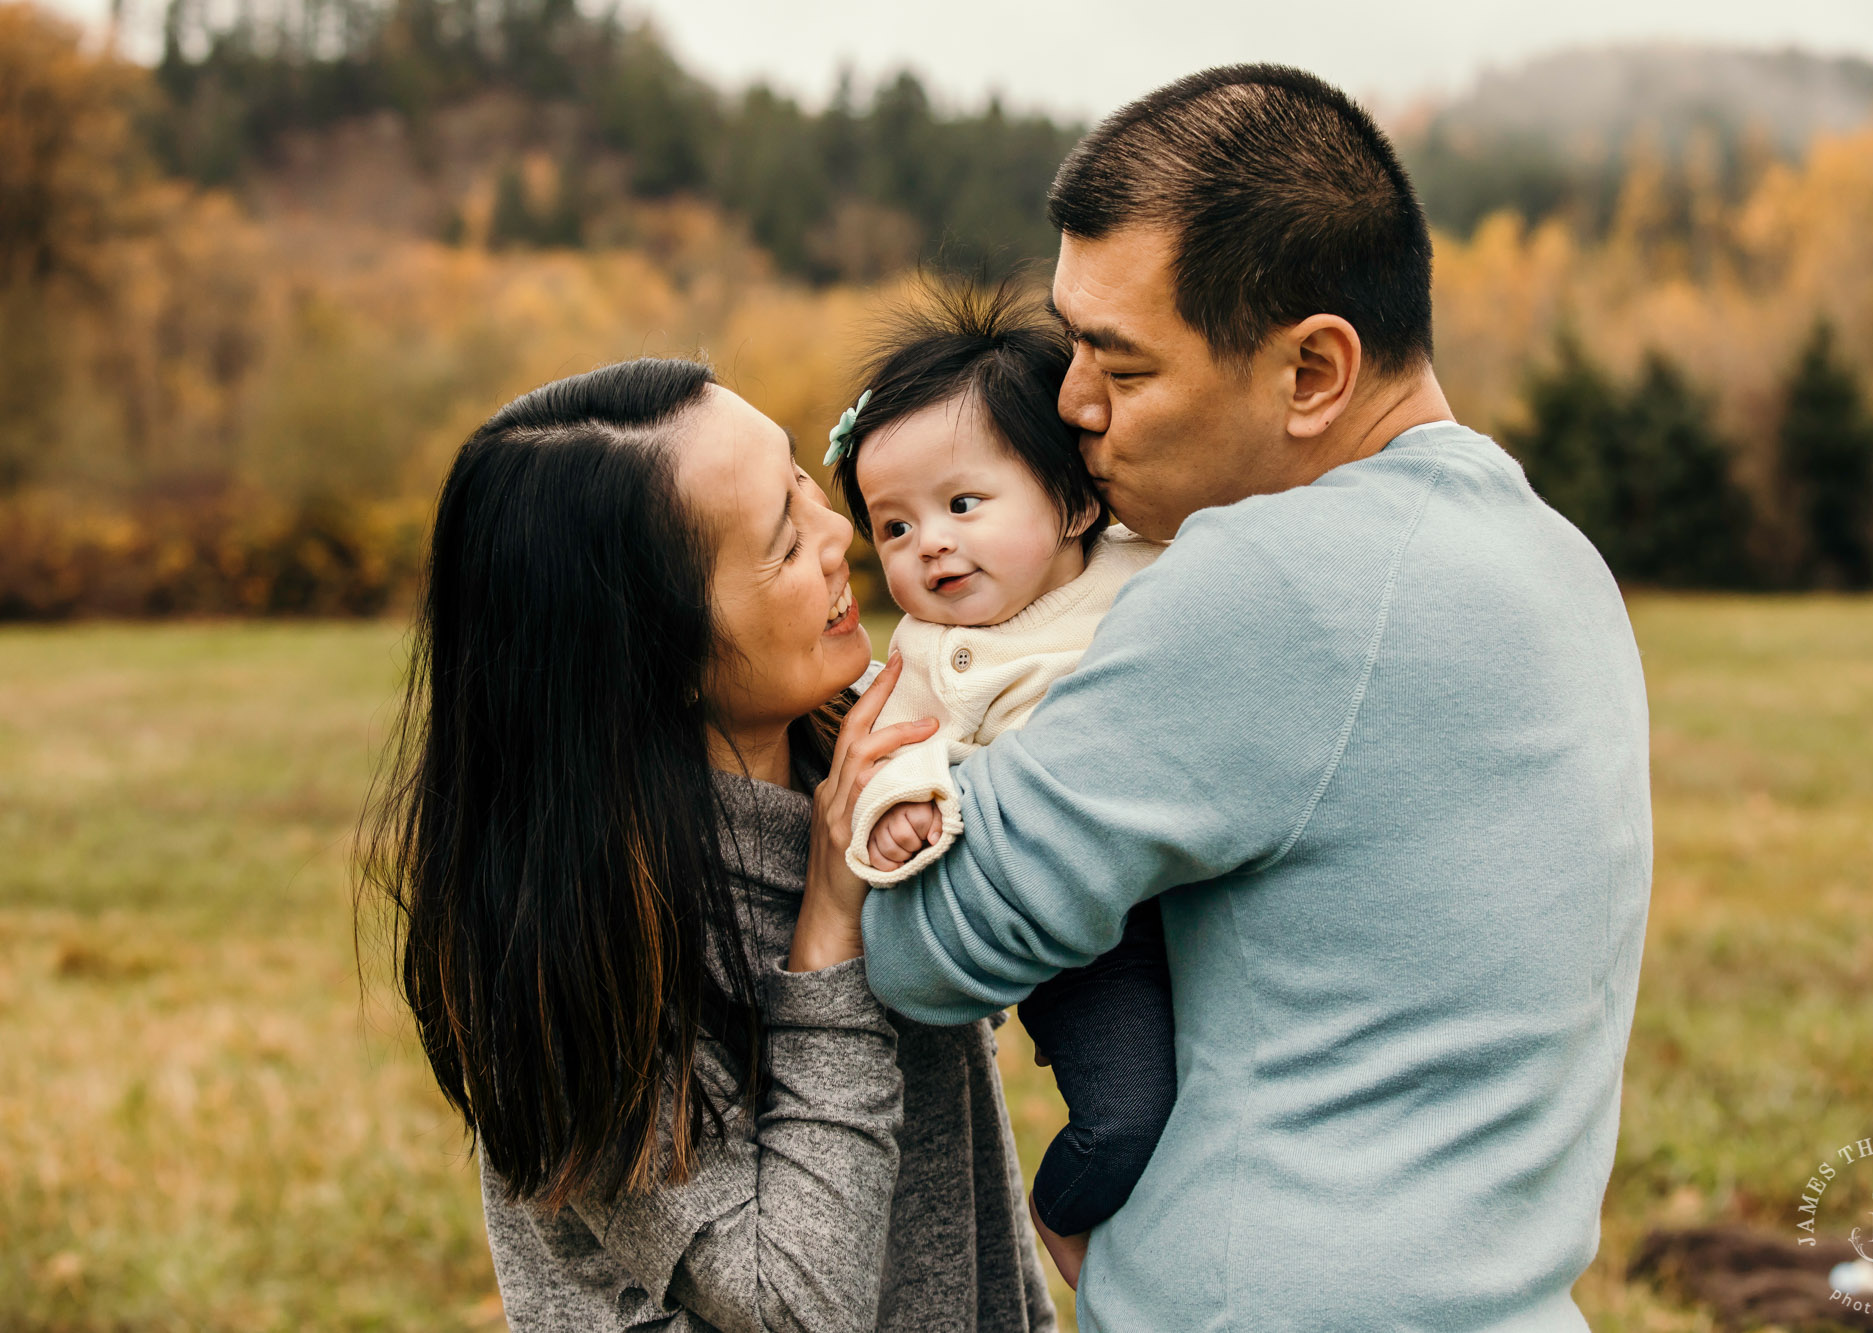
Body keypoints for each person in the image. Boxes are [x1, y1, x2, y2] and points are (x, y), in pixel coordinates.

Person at [819, 65, 1654, 1331]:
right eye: (1070, 339)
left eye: (1122, 365)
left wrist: (902, 781)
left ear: (1313, 369)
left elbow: (936, 947)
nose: (1069, 403)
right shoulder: (1554, 559)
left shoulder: (1272, 577)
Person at [361, 358, 1056, 1332]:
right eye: (780, 542)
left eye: (803, 481)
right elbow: (795, 1306)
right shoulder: (569, 949)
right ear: (659, 658)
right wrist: (827, 942)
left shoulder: (863, 753)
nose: (840, 535)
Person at [823, 280, 1177, 1280]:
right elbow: (896, 752)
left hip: (1188, 886)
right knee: (1125, 1115)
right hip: (1082, 945)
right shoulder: (930, 657)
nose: (928, 543)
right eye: (891, 528)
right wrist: (899, 815)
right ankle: (1062, 1210)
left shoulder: (1149, 566)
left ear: (1069, 499)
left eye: (962, 504)